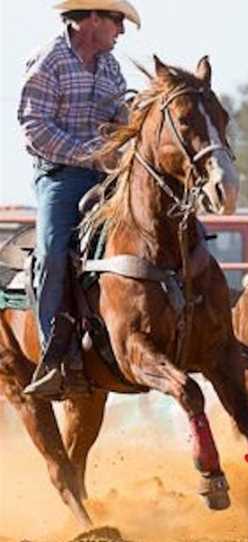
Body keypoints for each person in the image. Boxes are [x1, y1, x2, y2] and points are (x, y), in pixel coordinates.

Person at [19, 0, 141, 399]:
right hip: (60, 177)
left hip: (107, 174)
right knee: (54, 251)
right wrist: (90, 155)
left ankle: (201, 327)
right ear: (92, 18)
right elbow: (35, 127)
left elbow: (120, 116)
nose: (120, 31)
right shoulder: (49, 61)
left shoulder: (110, 67)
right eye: (117, 21)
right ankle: (53, 354)